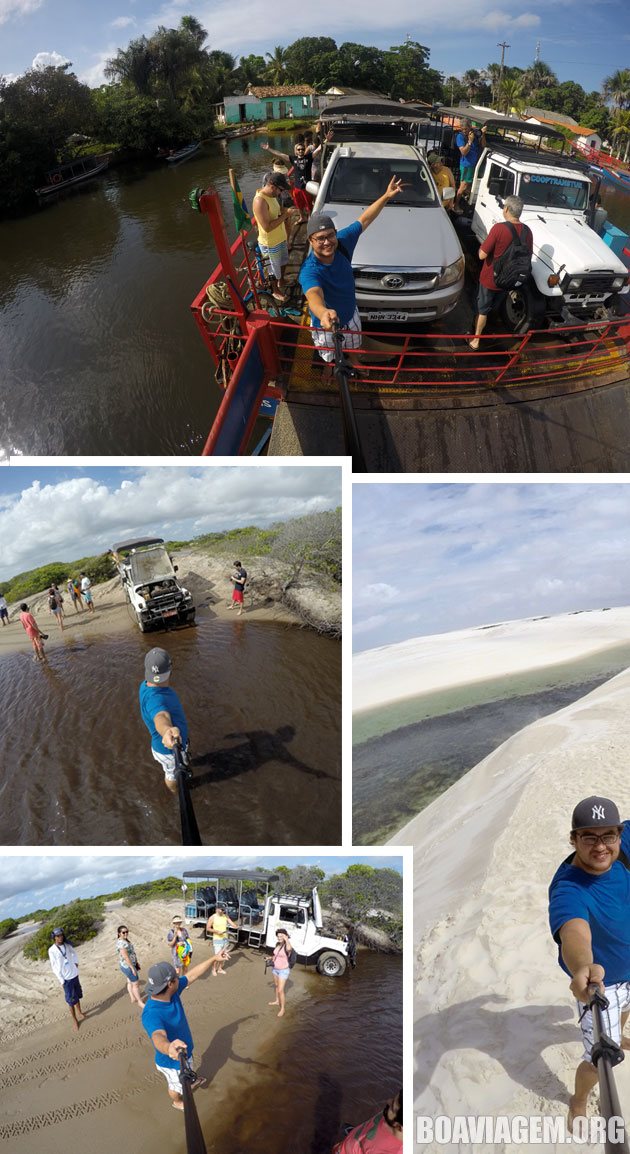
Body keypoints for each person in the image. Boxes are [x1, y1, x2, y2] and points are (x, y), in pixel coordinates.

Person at [549, 795, 630, 1132]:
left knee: (623, 1017)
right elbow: (574, 931)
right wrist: (583, 967)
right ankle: (578, 1100)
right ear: (573, 839)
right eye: (589, 837)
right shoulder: (568, 887)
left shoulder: (622, 844)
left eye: (608, 836)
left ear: (618, 834)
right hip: (602, 985)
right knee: (598, 1061)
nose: (601, 847)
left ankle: (622, 1030)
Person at [298, 177, 404, 364]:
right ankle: (329, 367)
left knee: (354, 344)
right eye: (320, 238)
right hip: (326, 322)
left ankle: (354, 360)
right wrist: (323, 313)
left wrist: (386, 196)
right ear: (311, 241)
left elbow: (365, 218)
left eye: (330, 235)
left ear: (336, 233)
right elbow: (313, 294)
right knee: (329, 352)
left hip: (350, 313)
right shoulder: (309, 270)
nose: (327, 242)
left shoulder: (343, 240)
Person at [141, 957, 215, 1110]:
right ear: (169, 984)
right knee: (176, 1087)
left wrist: (214, 958)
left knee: (187, 1074)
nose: (178, 977)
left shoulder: (171, 992)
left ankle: (190, 1081)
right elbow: (157, 1036)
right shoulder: (151, 1013)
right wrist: (169, 1048)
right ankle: (177, 1101)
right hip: (172, 1061)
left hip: (184, 1052)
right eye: (175, 977)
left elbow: (192, 975)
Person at [468, 194, 533, 350]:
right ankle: (490, 321)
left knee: (482, 309)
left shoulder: (499, 228)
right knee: (494, 305)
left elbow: (481, 255)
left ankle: (476, 340)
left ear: (506, 209)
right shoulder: (527, 231)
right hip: (509, 279)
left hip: (491, 279)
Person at [139, 648, 190, 793]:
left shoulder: (144, 685)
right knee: (172, 775)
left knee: (180, 764)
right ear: (170, 670)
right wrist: (167, 731)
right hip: (168, 751)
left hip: (171, 746)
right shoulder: (158, 699)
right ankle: (176, 792)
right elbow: (160, 717)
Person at [252, 171, 292, 302]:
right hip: (270, 242)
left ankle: (281, 281)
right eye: (281, 189)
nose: (281, 193)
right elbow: (267, 227)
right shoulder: (260, 201)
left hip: (280, 238)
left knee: (283, 262)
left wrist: (284, 212)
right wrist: (285, 216)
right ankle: (275, 290)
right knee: (272, 269)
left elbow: (276, 212)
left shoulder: (272, 196)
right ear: (272, 186)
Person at [332, 1089, 403, 1153]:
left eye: (392, 1106)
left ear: (400, 1127)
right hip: (352, 1141)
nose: (388, 1101)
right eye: (393, 1099)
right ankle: (354, 1136)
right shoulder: (394, 1115)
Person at [262, 139, 313, 220]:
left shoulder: (309, 157)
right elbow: (280, 154)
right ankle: (302, 217)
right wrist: (269, 149)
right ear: (296, 151)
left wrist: (327, 140)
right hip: (297, 186)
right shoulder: (293, 159)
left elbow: (319, 150)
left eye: (302, 149)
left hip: (306, 187)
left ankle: (310, 217)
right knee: (298, 204)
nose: (301, 151)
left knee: (308, 203)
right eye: (299, 149)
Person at [48, 928, 86, 1032]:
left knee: (77, 996)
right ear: (54, 937)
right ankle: (74, 1020)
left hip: (74, 974)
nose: (60, 937)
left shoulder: (67, 944)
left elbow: (74, 953)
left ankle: (79, 1012)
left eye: (61, 935)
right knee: (70, 1001)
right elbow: (54, 967)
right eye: (58, 936)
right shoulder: (52, 950)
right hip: (66, 979)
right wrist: (62, 980)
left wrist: (76, 963)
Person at [454, 117, 486, 210]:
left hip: (474, 165)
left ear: (470, 127)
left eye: (466, 129)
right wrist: (470, 141)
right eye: (462, 129)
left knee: (469, 185)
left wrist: (482, 134)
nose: (464, 131)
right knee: (463, 186)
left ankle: (466, 201)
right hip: (466, 165)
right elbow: (463, 152)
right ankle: (456, 205)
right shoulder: (460, 136)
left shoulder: (475, 134)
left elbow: (483, 145)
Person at [205, 904, 238, 975]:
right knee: (217, 956)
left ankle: (220, 969)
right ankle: (213, 969)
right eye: (222, 909)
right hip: (217, 939)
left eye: (224, 910)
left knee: (223, 955)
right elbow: (208, 928)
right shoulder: (212, 917)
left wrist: (236, 926)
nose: (223, 911)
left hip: (225, 938)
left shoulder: (225, 916)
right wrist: (217, 931)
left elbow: (232, 923)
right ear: (217, 909)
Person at [268, 928, 294, 1018]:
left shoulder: (287, 946)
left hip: (283, 970)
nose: (279, 937)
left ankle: (282, 1008)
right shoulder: (278, 944)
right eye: (278, 936)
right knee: (276, 986)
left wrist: (286, 939)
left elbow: (289, 949)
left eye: (281, 936)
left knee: (280, 990)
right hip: (275, 969)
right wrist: (270, 958)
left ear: (285, 936)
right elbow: (275, 955)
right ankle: (277, 1001)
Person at [116, 925, 144, 1007]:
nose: (126, 933)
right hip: (128, 966)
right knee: (135, 984)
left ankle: (132, 997)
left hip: (128, 964)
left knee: (129, 981)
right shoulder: (121, 943)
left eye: (127, 931)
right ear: (119, 933)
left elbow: (131, 953)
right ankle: (140, 1001)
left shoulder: (124, 940)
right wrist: (132, 968)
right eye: (123, 932)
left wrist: (136, 962)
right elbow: (125, 957)